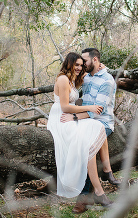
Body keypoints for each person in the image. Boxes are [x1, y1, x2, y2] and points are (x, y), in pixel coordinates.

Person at [46, 52, 112, 213]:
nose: (79, 68)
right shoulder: (62, 79)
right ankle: (99, 191)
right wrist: (89, 108)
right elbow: (65, 107)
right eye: (76, 65)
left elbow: (93, 75)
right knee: (86, 141)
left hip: (69, 117)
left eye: (81, 65)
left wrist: (103, 68)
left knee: (98, 127)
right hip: (61, 118)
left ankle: (105, 176)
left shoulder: (73, 80)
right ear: (68, 64)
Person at [79, 48, 120, 187]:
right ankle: (106, 173)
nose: (82, 63)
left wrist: (75, 117)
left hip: (103, 122)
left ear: (95, 59)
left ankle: (86, 195)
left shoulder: (107, 80)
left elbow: (98, 111)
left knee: (89, 147)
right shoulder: (86, 77)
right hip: (86, 121)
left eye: (84, 60)